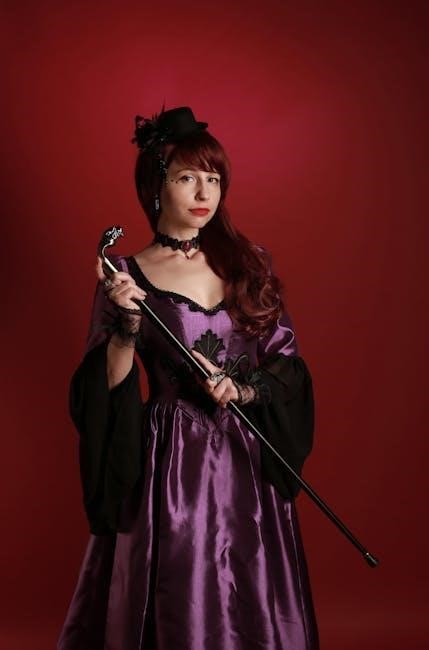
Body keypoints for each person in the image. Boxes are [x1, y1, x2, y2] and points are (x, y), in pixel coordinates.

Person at [58, 107, 319, 649]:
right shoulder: (124, 275)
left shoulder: (250, 264)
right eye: (186, 178)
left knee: (250, 585)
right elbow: (105, 386)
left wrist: (244, 388)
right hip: (171, 459)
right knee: (181, 590)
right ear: (156, 187)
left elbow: (287, 364)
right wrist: (128, 325)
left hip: (244, 454)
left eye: (214, 179)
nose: (204, 192)